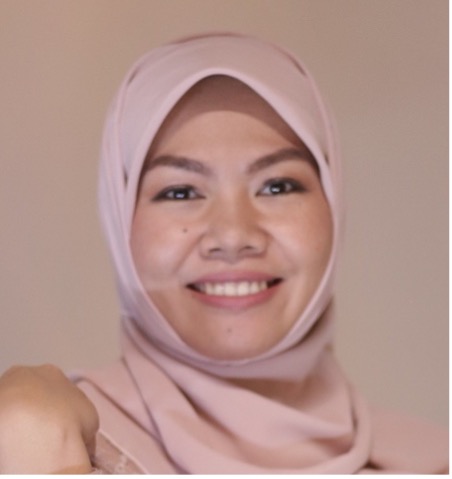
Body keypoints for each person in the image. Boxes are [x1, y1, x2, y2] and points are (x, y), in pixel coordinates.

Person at [0, 33, 447, 474]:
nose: (233, 236)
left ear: (334, 203)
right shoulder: (49, 446)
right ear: (120, 218)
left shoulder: (430, 459)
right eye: (180, 192)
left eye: (277, 186)